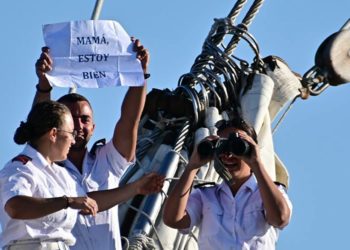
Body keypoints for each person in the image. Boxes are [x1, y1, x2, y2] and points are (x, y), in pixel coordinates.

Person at [33, 39, 150, 250]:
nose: (79, 125)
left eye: (85, 119)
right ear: (56, 127)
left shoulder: (108, 161)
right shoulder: (43, 168)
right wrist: (44, 85)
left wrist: (138, 74)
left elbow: (130, 119)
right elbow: (39, 125)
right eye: (71, 118)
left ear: (93, 127)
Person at [0, 101, 164, 250]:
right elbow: (15, 207)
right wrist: (67, 202)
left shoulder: (59, 174)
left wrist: (135, 188)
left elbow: (89, 201)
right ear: (53, 134)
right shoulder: (21, 167)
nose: (73, 140)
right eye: (70, 133)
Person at [163, 118, 292, 250]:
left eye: (236, 148)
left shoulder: (270, 193)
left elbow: (280, 218)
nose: (228, 155)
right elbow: (172, 219)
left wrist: (256, 163)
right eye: (222, 148)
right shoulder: (205, 196)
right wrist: (192, 167)